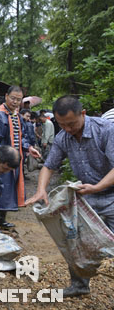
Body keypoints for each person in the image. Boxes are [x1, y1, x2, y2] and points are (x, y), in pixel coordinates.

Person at [26, 95, 114, 298]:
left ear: (83, 114)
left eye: (72, 124)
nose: (67, 129)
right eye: (62, 124)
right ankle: (79, 284)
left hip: (110, 194)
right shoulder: (63, 137)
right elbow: (49, 166)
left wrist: (97, 187)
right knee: (75, 240)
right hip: (87, 197)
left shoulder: (106, 130)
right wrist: (41, 190)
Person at [0, 86, 41, 231]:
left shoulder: (15, 115)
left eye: (18, 99)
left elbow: (20, 137)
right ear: (6, 96)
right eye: (13, 98)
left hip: (14, 161)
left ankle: (2, 220)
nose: (15, 102)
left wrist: (29, 148)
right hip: (2, 161)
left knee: (9, 191)